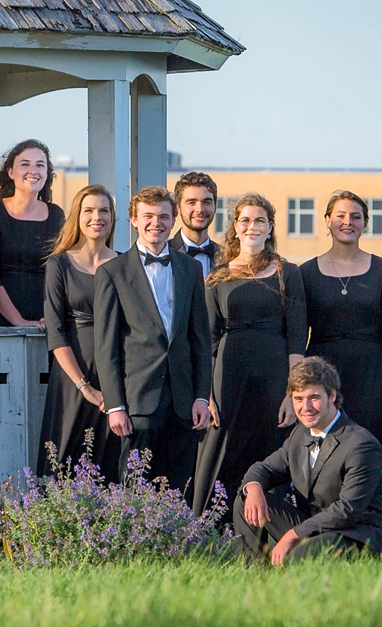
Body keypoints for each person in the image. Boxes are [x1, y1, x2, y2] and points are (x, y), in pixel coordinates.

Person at [192, 193, 307, 515]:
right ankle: (211, 526)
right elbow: (208, 341)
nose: (252, 226)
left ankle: (270, 524)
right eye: (245, 220)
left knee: (271, 447)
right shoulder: (217, 277)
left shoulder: (288, 273)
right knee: (221, 449)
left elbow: (297, 337)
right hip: (227, 376)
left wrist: (292, 394)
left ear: (270, 227)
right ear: (235, 227)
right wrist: (206, 393)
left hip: (275, 376)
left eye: (259, 220)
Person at [94, 186, 212, 491]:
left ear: (173, 220)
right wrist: (115, 405)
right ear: (134, 220)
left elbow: (200, 338)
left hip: (184, 402)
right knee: (135, 488)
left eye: (163, 216)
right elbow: (106, 347)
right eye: (147, 216)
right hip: (138, 400)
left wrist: (202, 396)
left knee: (179, 490)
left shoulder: (191, 268)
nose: (155, 223)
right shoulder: (112, 272)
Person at [234, 356, 382, 564]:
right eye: (298, 399)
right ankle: (254, 573)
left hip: (356, 535)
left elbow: (348, 510)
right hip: (315, 527)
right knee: (246, 498)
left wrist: (292, 535)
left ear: (332, 396)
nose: (306, 407)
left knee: (299, 555)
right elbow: (266, 469)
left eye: (314, 397)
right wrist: (254, 487)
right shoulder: (299, 434)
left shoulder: (361, 444)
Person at [300, 191, 382, 446]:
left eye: (355, 216)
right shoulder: (306, 273)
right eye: (340, 215)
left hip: (371, 377)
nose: (347, 222)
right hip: (322, 376)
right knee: (322, 449)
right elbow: (296, 334)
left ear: (365, 223)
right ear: (328, 220)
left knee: (367, 448)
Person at [38, 185, 123, 480]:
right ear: (77, 216)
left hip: (115, 376)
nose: (96, 217)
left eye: (104, 210)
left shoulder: (125, 264)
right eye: (89, 210)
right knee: (63, 460)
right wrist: (84, 387)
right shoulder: (59, 263)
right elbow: (55, 331)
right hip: (72, 380)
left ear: (112, 218)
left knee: (111, 462)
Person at [0, 140, 64, 328]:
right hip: (2, 323)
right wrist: (19, 321)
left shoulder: (56, 214)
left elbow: (62, 274)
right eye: (25, 164)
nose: (33, 171)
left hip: (46, 322)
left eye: (40, 165)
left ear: (47, 173)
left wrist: (53, 317)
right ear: (10, 172)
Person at [172, 171, 221, 276]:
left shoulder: (227, 257)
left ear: (215, 207)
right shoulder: (164, 254)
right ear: (178, 208)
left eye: (206, 202)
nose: (200, 209)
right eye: (191, 203)